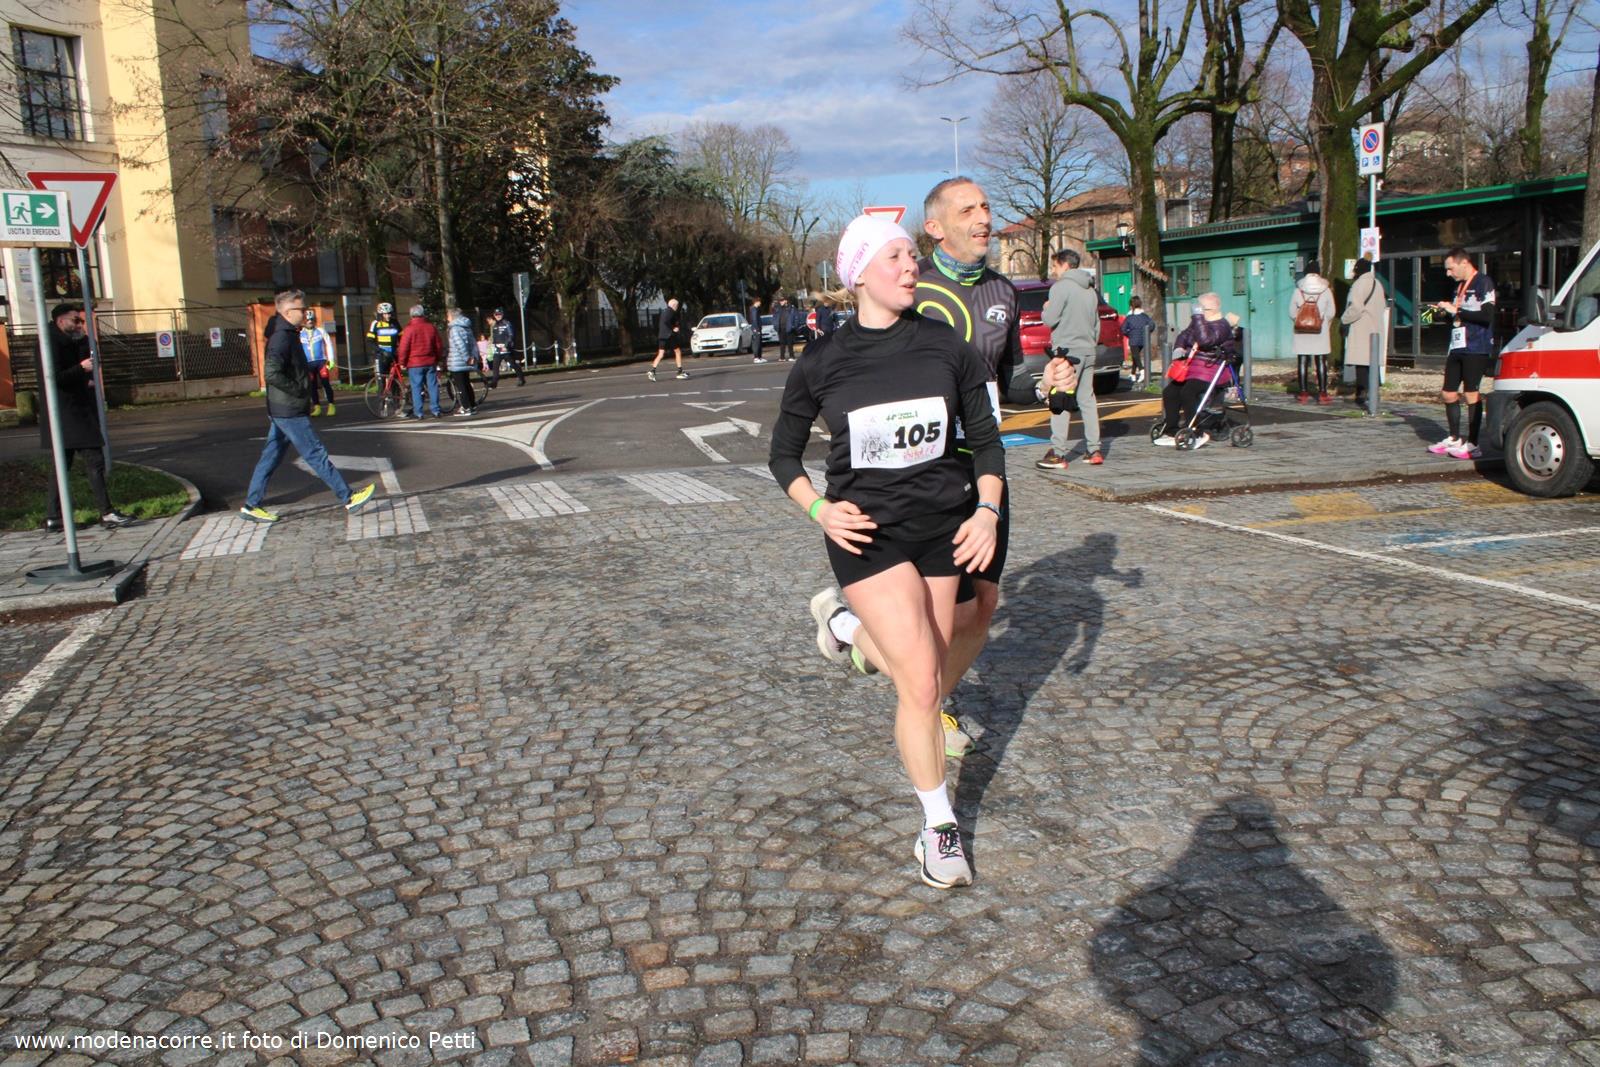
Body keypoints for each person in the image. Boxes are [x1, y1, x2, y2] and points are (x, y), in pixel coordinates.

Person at [770, 215, 1005, 889]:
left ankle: (845, 627)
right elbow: (782, 455)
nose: (911, 267)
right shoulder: (822, 360)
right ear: (859, 274)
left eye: (911, 256)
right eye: (896, 256)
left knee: (917, 665)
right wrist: (819, 508)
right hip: (867, 534)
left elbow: (986, 440)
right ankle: (938, 827)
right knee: (924, 681)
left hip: (942, 527)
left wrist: (987, 510)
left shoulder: (944, 344)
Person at [239, 289, 376, 522]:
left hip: (283, 408)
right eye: (302, 309)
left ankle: (251, 504)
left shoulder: (289, 333)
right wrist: (298, 390)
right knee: (315, 453)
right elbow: (271, 373)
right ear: (287, 312)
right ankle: (348, 497)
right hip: (289, 409)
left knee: (270, 457)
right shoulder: (282, 338)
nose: (306, 313)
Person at [36, 303, 134, 533]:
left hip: (70, 413)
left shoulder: (67, 340)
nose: (79, 324)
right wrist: (81, 369)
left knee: (62, 466)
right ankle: (106, 512)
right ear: (61, 321)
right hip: (68, 413)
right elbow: (54, 377)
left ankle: (54, 517)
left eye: (81, 320)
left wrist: (84, 346)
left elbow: (83, 361)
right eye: (75, 320)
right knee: (93, 460)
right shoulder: (50, 343)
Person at [1036, 248, 1103, 470]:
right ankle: (1094, 449)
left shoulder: (1060, 287)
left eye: (1055, 266)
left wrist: (1045, 308)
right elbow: (1096, 324)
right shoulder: (1090, 290)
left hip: (1067, 351)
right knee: (1087, 399)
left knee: (1061, 398)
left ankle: (1057, 453)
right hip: (1088, 349)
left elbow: (1050, 319)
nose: (1053, 271)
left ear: (1064, 265)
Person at [1427, 248, 1495, 460]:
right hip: (1457, 345)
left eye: (1451, 269)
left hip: (1477, 346)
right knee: (1448, 392)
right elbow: (1458, 315)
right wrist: (1443, 313)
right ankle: (1454, 437)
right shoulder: (1459, 286)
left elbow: (1487, 316)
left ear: (1464, 263)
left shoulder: (1483, 282)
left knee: (1471, 393)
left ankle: (1473, 443)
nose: (1448, 273)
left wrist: (1456, 311)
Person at [1154, 292, 1238, 449]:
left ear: (1210, 309)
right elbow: (1184, 335)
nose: (1196, 311)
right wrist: (1179, 347)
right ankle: (1171, 429)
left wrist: (1198, 318)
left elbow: (1205, 340)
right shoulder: (1199, 323)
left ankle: (1196, 431)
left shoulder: (1222, 325)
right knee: (1170, 391)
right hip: (1193, 368)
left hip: (1211, 370)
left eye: (1200, 308)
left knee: (1188, 392)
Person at [1340, 257, 1388, 406]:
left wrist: (1344, 319)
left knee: (1361, 362)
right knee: (1372, 362)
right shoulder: (1378, 284)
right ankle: (1374, 391)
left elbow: (1355, 307)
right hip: (1376, 327)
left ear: (1358, 270)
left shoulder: (1359, 284)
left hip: (1361, 327)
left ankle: (1363, 392)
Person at [1290, 261, 1336, 403]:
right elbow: (1332, 311)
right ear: (1318, 273)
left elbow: (1291, 312)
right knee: (1321, 360)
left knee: (1302, 360)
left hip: (1301, 331)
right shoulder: (1326, 290)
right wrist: (1323, 322)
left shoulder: (1298, 290)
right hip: (1320, 331)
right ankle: (1322, 394)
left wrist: (1301, 321)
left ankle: (1303, 393)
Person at [396, 303, 442, 420]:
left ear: (411, 315)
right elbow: (438, 345)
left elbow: (403, 348)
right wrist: (438, 358)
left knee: (416, 387)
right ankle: (435, 410)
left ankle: (419, 412)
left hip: (414, 363)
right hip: (430, 361)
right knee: (433, 386)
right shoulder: (431, 327)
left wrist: (402, 362)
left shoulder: (408, 329)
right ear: (423, 314)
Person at [300, 307, 338, 416]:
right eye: (308, 320)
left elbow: (329, 344)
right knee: (312, 386)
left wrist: (331, 359)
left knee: (325, 383)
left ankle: (331, 405)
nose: (310, 321)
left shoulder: (321, 331)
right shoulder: (300, 333)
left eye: (312, 319)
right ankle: (317, 407)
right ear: (304, 321)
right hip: (308, 363)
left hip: (321, 362)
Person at [445, 307, 478, 417]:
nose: (447, 318)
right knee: (467, 383)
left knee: (461, 386)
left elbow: (460, 345)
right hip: (466, 361)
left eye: (448, 316)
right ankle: (472, 405)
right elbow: (473, 344)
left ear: (453, 316)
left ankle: (466, 407)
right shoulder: (466, 327)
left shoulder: (454, 329)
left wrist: (466, 357)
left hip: (457, 361)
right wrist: (473, 357)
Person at [649, 298, 689, 381]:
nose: (677, 307)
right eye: (677, 306)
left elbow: (663, 322)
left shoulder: (664, 312)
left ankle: (652, 371)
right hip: (669, 335)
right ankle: (680, 372)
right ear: (674, 305)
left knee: (661, 354)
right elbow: (666, 322)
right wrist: (673, 328)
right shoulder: (671, 312)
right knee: (678, 351)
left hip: (662, 336)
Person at [487, 307, 524, 388]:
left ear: (502, 314)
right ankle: (494, 383)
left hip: (506, 350)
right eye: (496, 314)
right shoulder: (494, 325)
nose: (498, 316)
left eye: (499, 314)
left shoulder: (507, 323)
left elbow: (511, 335)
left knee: (513, 365)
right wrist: (493, 345)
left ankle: (521, 378)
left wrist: (506, 345)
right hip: (497, 350)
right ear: (494, 315)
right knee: (495, 367)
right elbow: (495, 337)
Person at [1121, 295, 1154, 386]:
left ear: (1131, 305)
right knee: (1135, 357)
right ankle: (1133, 374)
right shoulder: (1145, 316)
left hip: (1133, 340)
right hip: (1143, 340)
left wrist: (1129, 334)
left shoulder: (1129, 317)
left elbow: (1123, 329)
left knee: (1135, 356)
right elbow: (1152, 325)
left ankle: (1142, 371)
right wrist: (1146, 333)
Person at [366, 302, 400, 379]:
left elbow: (401, 336)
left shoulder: (395, 322)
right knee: (381, 378)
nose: (388, 316)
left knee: (395, 378)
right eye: (385, 314)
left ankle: (394, 387)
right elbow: (369, 340)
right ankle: (382, 387)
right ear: (381, 314)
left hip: (393, 354)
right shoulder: (375, 323)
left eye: (389, 313)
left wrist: (399, 349)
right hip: (381, 356)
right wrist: (380, 351)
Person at [775, 297, 797, 361]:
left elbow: (796, 318)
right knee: (782, 343)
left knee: (790, 343)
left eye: (782, 301)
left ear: (786, 301)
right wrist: (775, 326)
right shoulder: (778, 309)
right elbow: (774, 318)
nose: (781, 302)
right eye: (780, 301)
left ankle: (791, 356)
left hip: (789, 328)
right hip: (781, 329)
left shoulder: (791, 308)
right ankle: (782, 357)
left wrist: (793, 326)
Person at [750, 297, 766, 364]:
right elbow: (754, 320)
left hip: (758, 328)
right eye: (759, 301)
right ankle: (756, 358)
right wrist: (757, 329)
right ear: (756, 302)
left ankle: (759, 357)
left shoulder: (756, 309)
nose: (760, 303)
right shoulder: (754, 309)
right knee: (756, 343)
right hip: (756, 329)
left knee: (759, 343)